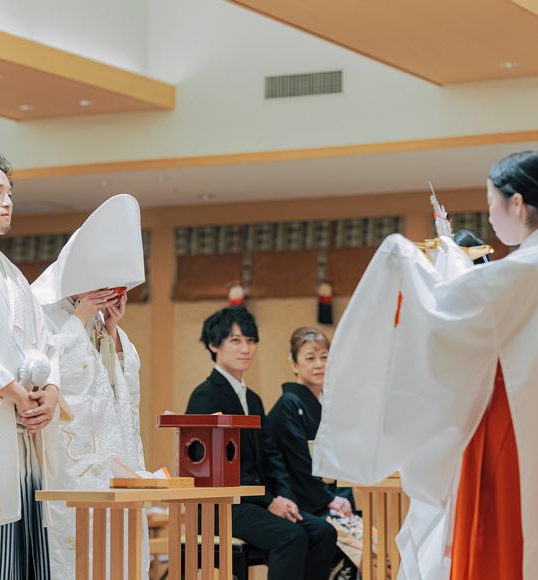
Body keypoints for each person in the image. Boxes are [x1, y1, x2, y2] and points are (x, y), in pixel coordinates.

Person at [313, 151, 538, 580]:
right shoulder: (519, 267)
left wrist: (404, 258)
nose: (490, 215)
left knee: (507, 539)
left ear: (517, 203)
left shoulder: (522, 269)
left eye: (491, 202)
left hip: (512, 423)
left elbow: (446, 314)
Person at [0, 149, 69, 579]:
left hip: (22, 432)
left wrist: (50, 393)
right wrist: (17, 394)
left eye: (10, 194)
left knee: (26, 553)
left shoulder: (12, 274)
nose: (7, 203)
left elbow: (46, 344)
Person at [31, 195, 149, 579]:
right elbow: (47, 373)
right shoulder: (41, 310)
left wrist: (110, 330)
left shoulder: (99, 319)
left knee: (120, 553)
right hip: (72, 463)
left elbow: (122, 391)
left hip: (113, 457)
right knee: (80, 554)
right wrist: (79, 320)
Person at [185, 306, 337, 580]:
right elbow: (211, 468)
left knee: (322, 532)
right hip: (222, 506)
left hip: (254, 502)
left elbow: (271, 456)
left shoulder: (252, 399)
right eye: (235, 340)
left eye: (250, 340)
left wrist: (285, 497)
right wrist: (269, 501)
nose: (246, 349)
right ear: (214, 345)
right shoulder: (205, 396)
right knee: (290, 536)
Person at [267, 327, 357, 577]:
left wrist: (340, 497)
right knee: (351, 542)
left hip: (325, 495)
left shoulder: (326, 403)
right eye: (310, 358)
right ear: (294, 364)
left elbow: (339, 460)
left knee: (368, 533)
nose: (319, 364)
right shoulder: (290, 404)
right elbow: (299, 464)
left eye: (324, 357)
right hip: (302, 499)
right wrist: (328, 499)